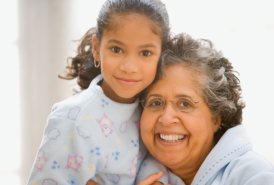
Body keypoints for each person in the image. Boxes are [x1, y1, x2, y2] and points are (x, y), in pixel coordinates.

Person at [26, 0, 171, 184]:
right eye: (117, 49)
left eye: (145, 53)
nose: (129, 67)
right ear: (96, 48)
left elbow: (153, 158)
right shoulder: (71, 121)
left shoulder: (155, 107)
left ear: (162, 54)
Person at [138, 33, 274, 184]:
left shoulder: (254, 175)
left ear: (216, 118)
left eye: (185, 104)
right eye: (156, 103)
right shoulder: (125, 172)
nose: (166, 118)